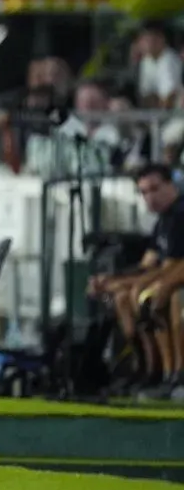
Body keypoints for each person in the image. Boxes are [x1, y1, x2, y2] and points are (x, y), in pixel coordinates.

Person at [90, 164, 184, 400]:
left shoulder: (180, 215)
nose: (149, 197)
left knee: (151, 297)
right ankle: (147, 370)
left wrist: (135, 286)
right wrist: (112, 281)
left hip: (176, 282)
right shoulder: (162, 221)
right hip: (167, 276)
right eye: (143, 192)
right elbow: (147, 265)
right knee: (123, 298)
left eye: (154, 189)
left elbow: (170, 268)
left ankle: (174, 373)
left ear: (171, 185)